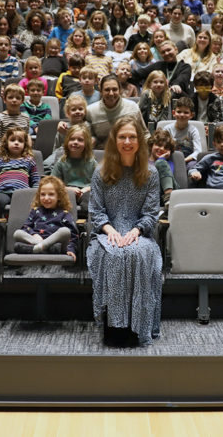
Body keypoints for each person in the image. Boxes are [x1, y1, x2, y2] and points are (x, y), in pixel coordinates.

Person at [87, 116, 163, 346]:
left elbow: (151, 214)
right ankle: (114, 327)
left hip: (141, 233)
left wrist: (136, 231)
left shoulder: (151, 174)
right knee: (114, 253)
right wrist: (110, 230)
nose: (127, 141)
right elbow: (96, 211)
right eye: (122, 137)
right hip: (105, 232)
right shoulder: (100, 172)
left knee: (136, 253)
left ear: (140, 141)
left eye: (132, 137)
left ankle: (137, 326)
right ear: (114, 140)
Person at [14, 175, 79, 257]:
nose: (46, 198)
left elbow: (73, 235)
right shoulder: (35, 211)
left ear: (59, 196)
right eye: (43, 194)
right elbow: (26, 226)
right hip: (37, 240)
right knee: (17, 233)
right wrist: (34, 234)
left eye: (51, 194)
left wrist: (71, 250)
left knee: (65, 231)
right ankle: (42, 247)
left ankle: (36, 248)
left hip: (56, 243)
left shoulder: (64, 213)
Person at [0, 127, 39, 215]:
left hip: (22, 193)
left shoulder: (29, 161)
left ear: (25, 145)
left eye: (20, 141)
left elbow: (35, 180)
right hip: (3, 193)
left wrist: (33, 194)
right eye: (12, 140)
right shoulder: (0, 161)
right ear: (6, 143)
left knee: (27, 207)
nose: (16, 143)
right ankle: (0, 224)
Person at [86, 75, 146, 146]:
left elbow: (144, 134)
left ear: (120, 90)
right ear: (101, 91)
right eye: (107, 90)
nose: (111, 93)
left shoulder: (132, 107)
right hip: (102, 153)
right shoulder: (90, 111)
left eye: (114, 89)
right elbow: (88, 137)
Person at [52, 123, 97, 208]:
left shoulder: (92, 162)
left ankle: (85, 220)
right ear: (67, 141)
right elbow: (53, 183)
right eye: (72, 139)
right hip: (67, 192)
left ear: (86, 143)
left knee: (90, 198)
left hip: (86, 192)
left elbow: (99, 184)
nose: (75, 142)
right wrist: (68, 189)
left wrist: (86, 189)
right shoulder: (61, 162)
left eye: (80, 140)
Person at [159, 97, 203, 170]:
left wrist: (183, 160)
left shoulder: (193, 130)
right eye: (179, 112)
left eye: (186, 112)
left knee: (193, 166)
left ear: (191, 115)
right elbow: (163, 148)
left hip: (188, 160)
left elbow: (198, 151)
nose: (182, 115)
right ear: (173, 113)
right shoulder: (167, 129)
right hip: (171, 159)